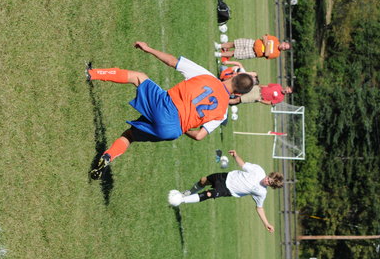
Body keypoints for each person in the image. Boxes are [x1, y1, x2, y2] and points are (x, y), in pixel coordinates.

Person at [86, 42, 255, 179]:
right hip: (173, 130)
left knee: (138, 77)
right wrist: (183, 125)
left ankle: (91, 73)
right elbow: (199, 136)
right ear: (238, 94)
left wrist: (148, 49)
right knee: (130, 136)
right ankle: (108, 156)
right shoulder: (223, 113)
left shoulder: (208, 76)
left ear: (234, 75)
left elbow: (173, 62)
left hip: (167, 106)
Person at [167, 150, 284, 233]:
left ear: (271, 186)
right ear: (269, 175)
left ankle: (181, 200)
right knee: (203, 181)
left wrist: (266, 223)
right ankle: (187, 193)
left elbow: (259, 208)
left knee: (209, 194)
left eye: (269, 183)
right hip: (225, 177)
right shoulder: (259, 170)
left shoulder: (262, 192)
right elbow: (243, 165)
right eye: (268, 178)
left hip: (227, 190)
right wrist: (235, 156)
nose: (266, 181)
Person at [214, 34, 291, 60]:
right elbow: (264, 36)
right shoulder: (275, 39)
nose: (283, 47)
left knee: (235, 53)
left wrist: (267, 44)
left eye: (285, 48)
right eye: (285, 45)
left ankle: (218, 54)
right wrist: (266, 45)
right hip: (252, 43)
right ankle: (218, 46)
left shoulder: (277, 54)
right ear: (284, 43)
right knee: (235, 44)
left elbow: (267, 54)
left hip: (253, 53)